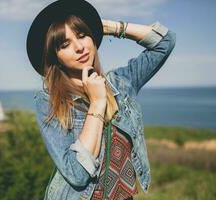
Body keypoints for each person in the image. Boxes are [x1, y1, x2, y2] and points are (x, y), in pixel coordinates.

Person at [26, 0, 176, 199]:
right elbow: (77, 174)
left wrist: (109, 27)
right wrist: (97, 102)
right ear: (56, 57)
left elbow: (165, 42)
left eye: (82, 35)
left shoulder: (121, 83)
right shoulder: (49, 101)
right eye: (65, 44)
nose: (79, 47)